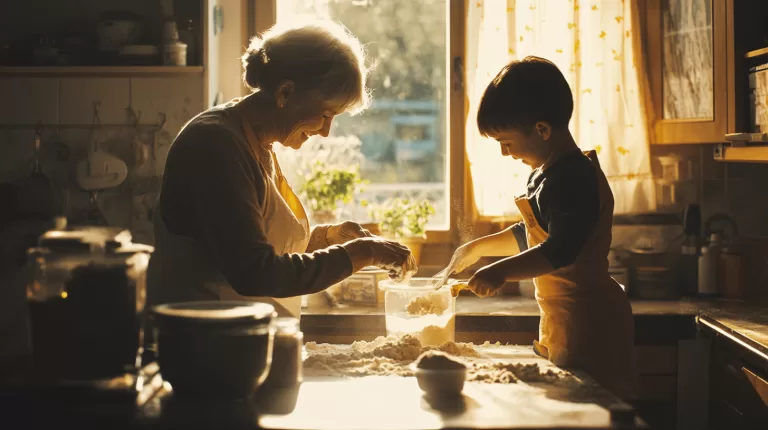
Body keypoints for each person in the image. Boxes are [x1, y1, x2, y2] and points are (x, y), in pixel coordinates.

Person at [146, 19, 416, 318]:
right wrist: (363, 253)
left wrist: (326, 238)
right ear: (285, 93)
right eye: (325, 114)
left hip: (240, 339)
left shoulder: (256, 142)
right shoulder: (215, 144)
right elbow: (255, 271)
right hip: (203, 342)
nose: (326, 131)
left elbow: (256, 243)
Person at [442, 56, 637, 400]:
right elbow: (532, 234)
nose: (504, 153)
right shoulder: (548, 173)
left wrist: (500, 272)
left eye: (506, 141)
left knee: (593, 411)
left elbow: (559, 250)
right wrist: (477, 248)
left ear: (542, 130)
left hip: (590, 321)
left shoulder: (572, 178)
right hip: (563, 319)